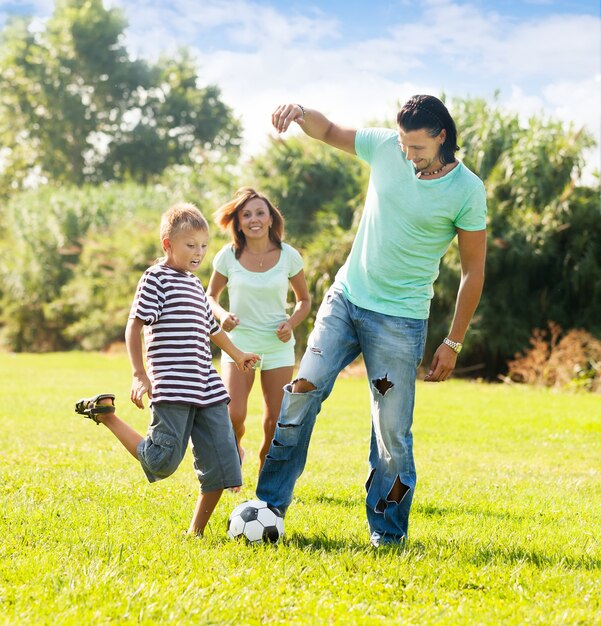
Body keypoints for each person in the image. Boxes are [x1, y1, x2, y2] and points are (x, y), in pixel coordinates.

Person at [257, 96, 487, 547]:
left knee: (392, 434)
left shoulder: (466, 190)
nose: (407, 154)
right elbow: (328, 131)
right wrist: (301, 113)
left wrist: (453, 342)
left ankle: (387, 531)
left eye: (417, 147)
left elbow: (474, 271)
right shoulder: (385, 147)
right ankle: (269, 507)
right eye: (403, 144)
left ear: (442, 136)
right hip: (346, 299)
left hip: (400, 321)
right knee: (302, 393)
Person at [74, 203, 259, 536]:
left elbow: (211, 329)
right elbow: (134, 327)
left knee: (223, 462)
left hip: (207, 386)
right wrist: (139, 373)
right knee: (161, 461)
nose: (199, 252)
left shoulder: (194, 283)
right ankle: (106, 416)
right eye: (191, 245)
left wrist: (238, 353)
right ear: (167, 244)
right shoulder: (155, 278)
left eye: (203, 246)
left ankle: (195, 532)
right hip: (172, 385)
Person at [207, 187, 311, 472]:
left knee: (275, 418)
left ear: (270, 219)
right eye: (246, 214)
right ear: (238, 223)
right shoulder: (227, 256)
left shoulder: (289, 256)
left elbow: (304, 301)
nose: (253, 219)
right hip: (238, 345)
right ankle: (236, 448)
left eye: (259, 213)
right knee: (234, 414)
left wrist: (291, 324)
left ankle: (267, 469)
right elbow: (210, 297)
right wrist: (222, 315)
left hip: (277, 347)